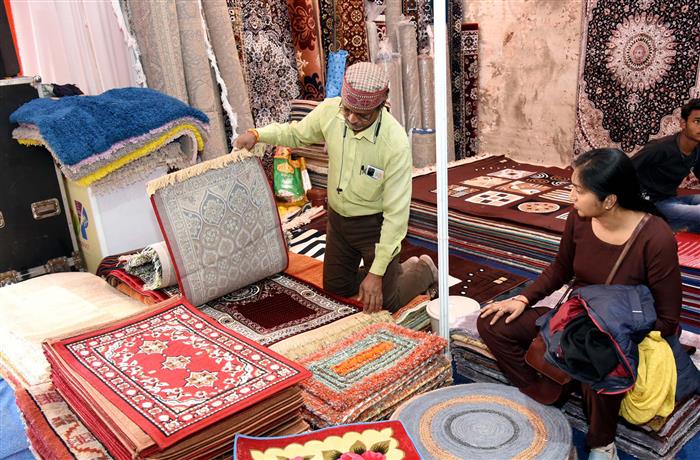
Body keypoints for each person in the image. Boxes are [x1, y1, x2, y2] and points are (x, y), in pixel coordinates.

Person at [477, 148, 682, 460]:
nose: (570, 196)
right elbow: (562, 269)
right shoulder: (580, 219)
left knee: (599, 360)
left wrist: (616, 335)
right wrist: (522, 298)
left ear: (609, 200)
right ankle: (544, 391)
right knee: (492, 322)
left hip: (622, 334)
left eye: (579, 190)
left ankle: (602, 444)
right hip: (571, 319)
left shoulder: (656, 237)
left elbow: (668, 318)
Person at [234, 62, 437, 313]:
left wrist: (375, 274)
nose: (352, 119)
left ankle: (422, 269)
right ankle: (392, 271)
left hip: (374, 227)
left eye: (362, 115)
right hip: (339, 222)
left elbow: (396, 216)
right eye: (347, 110)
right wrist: (257, 134)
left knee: (384, 302)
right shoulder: (331, 111)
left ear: (382, 103)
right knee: (336, 289)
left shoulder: (394, 144)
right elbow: (296, 134)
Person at [632, 98, 700, 232]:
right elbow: (625, 168)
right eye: (697, 122)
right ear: (683, 123)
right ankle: (665, 226)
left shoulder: (698, 149)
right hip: (653, 205)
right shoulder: (660, 148)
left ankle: (677, 227)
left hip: (672, 199)